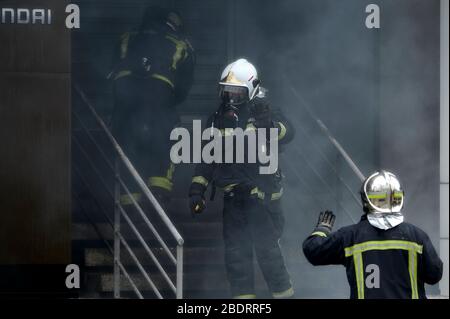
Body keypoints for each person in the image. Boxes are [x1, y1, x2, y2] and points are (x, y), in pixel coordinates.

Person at [188, 58, 295, 298]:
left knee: (271, 259)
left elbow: (289, 133)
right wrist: (197, 191)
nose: (231, 99)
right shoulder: (217, 119)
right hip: (232, 201)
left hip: (263, 200)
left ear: (252, 89)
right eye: (227, 93)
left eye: (237, 93)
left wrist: (268, 124)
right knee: (237, 261)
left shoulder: (265, 112)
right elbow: (207, 159)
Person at [303, 170, 443, 299]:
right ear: (399, 198)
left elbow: (314, 251)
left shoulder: (350, 236)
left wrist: (322, 229)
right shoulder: (417, 236)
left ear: (366, 201)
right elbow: (434, 275)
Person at [108, 6, 195, 205]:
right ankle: (159, 195)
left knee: (127, 147)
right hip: (158, 100)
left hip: (124, 103)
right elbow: (183, 87)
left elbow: (111, 73)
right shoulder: (181, 45)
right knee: (167, 140)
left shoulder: (126, 38)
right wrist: (166, 102)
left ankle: (129, 205)